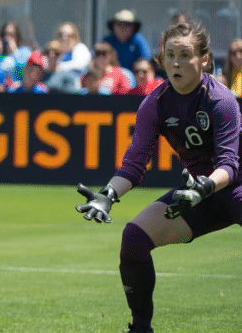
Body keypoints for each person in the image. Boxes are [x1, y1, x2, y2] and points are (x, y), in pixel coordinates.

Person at [74, 21, 242, 333]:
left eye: (185, 55)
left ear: (204, 60)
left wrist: (205, 185)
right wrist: (108, 194)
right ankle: (140, 328)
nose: (176, 63)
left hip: (232, 187)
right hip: (198, 193)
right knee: (134, 239)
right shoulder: (155, 103)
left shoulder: (221, 101)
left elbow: (230, 166)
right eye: (170, 55)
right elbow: (135, 164)